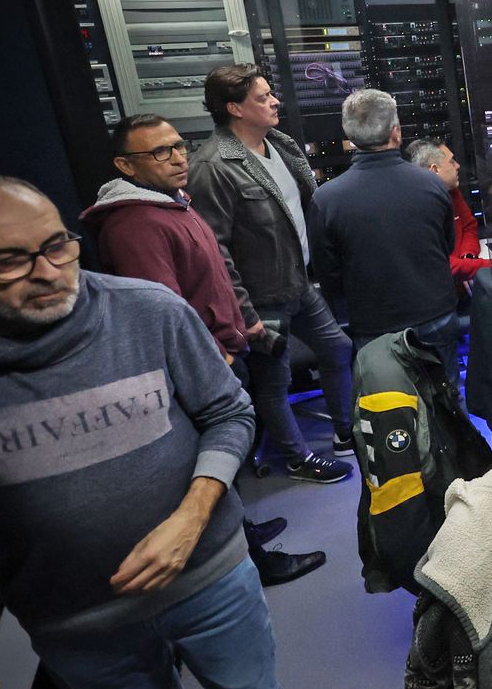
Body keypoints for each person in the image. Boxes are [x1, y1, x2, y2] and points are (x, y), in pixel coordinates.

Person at [0, 175, 311, 689]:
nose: (47, 271)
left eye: (58, 245)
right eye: (8, 261)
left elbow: (228, 412)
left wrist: (191, 518)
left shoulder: (147, 311)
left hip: (209, 574)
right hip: (76, 617)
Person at [83, 113, 326, 586]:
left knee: (234, 467)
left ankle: (245, 531)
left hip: (225, 351)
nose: (177, 158)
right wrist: (219, 356)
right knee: (217, 466)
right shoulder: (136, 225)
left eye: (178, 147)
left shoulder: (174, 204)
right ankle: (250, 560)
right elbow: (163, 310)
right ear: (124, 165)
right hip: (205, 365)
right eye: (160, 152)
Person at [189, 63, 353, 483]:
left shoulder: (278, 143)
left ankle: (344, 431)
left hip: (299, 283)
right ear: (234, 109)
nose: (275, 101)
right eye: (262, 98)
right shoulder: (212, 166)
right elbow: (215, 250)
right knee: (273, 380)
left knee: (336, 349)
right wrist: (245, 315)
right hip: (262, 297)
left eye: (270, 93)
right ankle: (297, 458)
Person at [310, 91, 460, 385]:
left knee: (390, 413)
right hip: (435, 314)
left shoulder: (326, 199)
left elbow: (328, 274)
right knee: (448, 404)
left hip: (373, 326)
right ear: (396, 132)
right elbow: (447, 246)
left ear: (350, 137)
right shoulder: (432, 184)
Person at [402, 138, 492, 293]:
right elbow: (441, 264)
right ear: (435, 170)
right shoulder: (414, 210)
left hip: (462, 279)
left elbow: (468, 226)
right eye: (451, 162)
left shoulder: (451, 190)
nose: (458, 166)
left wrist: (468, 257)